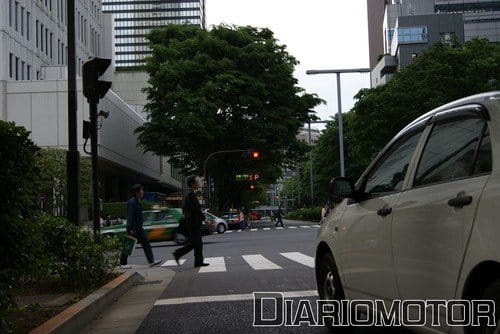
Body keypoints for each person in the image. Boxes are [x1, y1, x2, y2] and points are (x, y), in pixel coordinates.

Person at [120, 184, 161, 269]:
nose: (143, 192)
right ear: (136, 192)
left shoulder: (138, 201)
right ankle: (123, 263)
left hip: (139, 227)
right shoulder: (132, 202)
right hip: (133, 228)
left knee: (146, 243)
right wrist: (131, 228)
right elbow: (130, 216)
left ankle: (151, 261)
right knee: (128, 245)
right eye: (141, 190)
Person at [173, 176, 209, 267]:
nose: (198, 184)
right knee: (197, 243)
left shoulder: (189, 194)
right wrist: (204, 219)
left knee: (196, 243)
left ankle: (196, 261)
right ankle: (179, 254)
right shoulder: (190, 194)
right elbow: (196, 209)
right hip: (193, 223)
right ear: (193, 184)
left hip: (192, 222)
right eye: (197, 183)